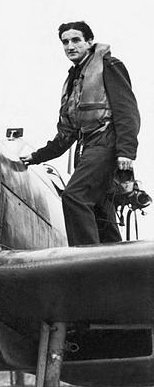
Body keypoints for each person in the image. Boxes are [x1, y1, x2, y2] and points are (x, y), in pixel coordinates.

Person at [21, 21, 140, 246]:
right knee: (100, 213)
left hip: (106, 144)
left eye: (76, 40)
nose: (70, 46)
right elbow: (66, 133)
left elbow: (127, 111)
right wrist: (36, 157)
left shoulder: (109, 65)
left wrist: (126, 152)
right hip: (89, 149)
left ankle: (84, 265)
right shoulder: (74, 80)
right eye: (65, 42)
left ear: (89, 41)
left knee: (75, 197)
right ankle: (113, 272)